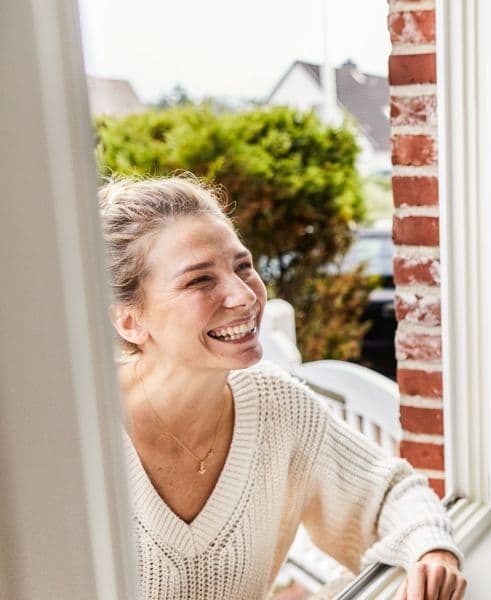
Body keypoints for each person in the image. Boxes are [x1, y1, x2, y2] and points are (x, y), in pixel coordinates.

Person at [99, 175, 467, 600]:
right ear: (129, 320)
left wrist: (432, 549)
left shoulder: (275, 403)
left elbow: (388, 492)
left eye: (242, 267)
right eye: (199, 280)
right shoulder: (74, 436)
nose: (244, 296)